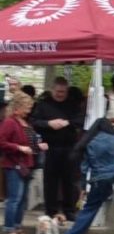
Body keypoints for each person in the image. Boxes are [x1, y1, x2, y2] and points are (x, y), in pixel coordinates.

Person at [60, 119, 114, 234]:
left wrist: (83, 186)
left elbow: (85, 167)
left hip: (98, 179)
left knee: (90, 207)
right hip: (113, 178)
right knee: (96, 206)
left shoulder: (92, 142)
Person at [31, 77, 84, 222]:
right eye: (58, 91)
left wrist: (67, 122)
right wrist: (49, 124)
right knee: (50, 181)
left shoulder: (72, 104)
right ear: (52, 90)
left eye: (63, 92)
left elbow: (81, 120)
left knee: (69, 181)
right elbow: (34, 122)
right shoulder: (43, 104)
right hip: (50, 147)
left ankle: (69, 210)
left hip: (69, 147)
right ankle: (50, 210)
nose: (60, 94)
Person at [0, 92, 45, 234]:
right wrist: (19, 148)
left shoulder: (24, 122)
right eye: (27, 107)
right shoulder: (10, 122)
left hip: (26, 165)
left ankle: (17, 228)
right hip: (14, 164)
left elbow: (29, 144)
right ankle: (9, 229)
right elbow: (2, 142)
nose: (29, 110)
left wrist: (38, 146)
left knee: (22, 199)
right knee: (15, 198)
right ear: (17, 107)